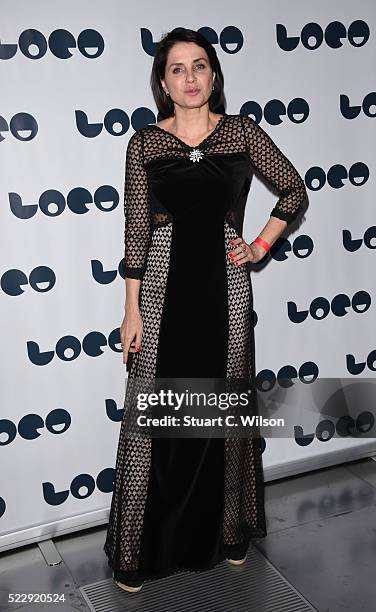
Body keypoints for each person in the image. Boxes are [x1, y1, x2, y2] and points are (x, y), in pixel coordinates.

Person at [104, 27, 307, 593]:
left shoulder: (242, 133)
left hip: (226, 291)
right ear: (164, 83)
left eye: (199, 66)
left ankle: (229, 535)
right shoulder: (145, 143)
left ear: (213, 76)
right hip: (163, 289)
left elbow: (293, 191)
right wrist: (132, 309)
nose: (190, 77)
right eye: (177, 69)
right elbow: (136, 231)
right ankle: (138, 555)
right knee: (155, 420)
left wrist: (259, 246)